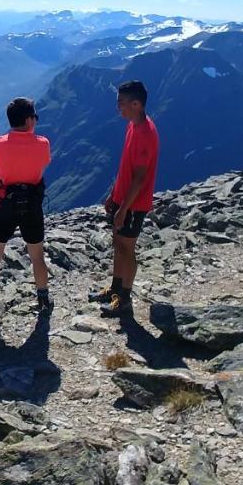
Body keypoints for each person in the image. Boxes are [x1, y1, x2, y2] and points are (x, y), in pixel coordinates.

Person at [0, 96, 53, 315]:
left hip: (4, 207)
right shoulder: (43, 143)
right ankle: (43, 299)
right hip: (32, 207)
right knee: (37, 257)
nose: (36, 120)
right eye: (35, 116)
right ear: (28, 120)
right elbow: (41, 168)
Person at [90, 80, 159, 316]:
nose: (118, 108)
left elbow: (139, 179)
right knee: (118, 245)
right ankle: (115, 289)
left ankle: (125, 300)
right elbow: (126, 169)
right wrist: (113, 195)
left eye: (121, 103)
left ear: (136, 104)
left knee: (127, 250)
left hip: (134, 204)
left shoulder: (146, 134)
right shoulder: (132, 125)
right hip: (123, 200)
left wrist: (123, 210)